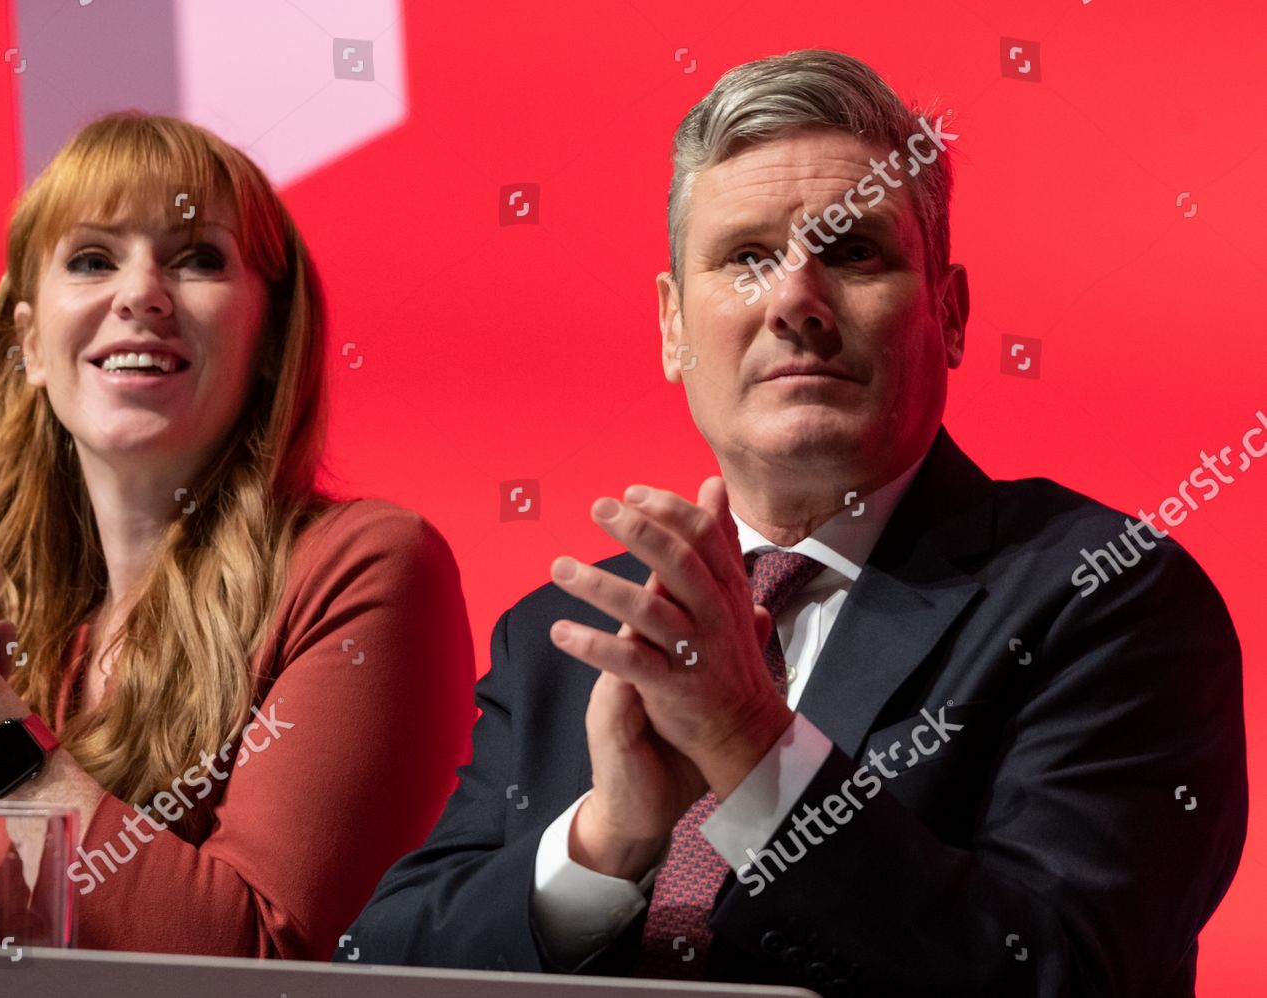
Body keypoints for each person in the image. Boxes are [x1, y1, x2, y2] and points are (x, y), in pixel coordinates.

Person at [335, 50, 1248, 995]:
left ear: (952, 311)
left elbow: (1064, 972)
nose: (795, 302)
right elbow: (380, 966)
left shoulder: (1104, 596)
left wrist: (747, 743)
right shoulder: (565, 639)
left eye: (853, 252)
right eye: (746, 258)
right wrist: (605, 845)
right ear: (671, 328)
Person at [0, 111, 475, 958]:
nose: (141, 292)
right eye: (91, 259)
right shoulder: (12, 628)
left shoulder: (366, 566)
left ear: (269, 336)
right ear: (32, 345)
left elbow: (264, 958)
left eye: (198, 259)